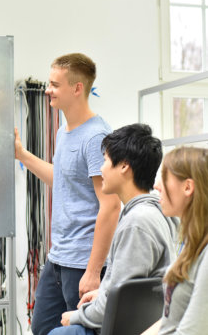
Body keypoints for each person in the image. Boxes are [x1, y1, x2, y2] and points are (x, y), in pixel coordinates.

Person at [15, 53, 121, 335]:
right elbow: (62, 180)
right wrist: (22, 155)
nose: (48, 90)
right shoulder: (64, 131)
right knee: (42, 330)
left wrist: (92, 270)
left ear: (77, 88)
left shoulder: (95, 136)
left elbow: (110, 207)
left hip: (82, 262)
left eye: (54, 84)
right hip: (58, 258)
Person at [48, 123, 179, 335]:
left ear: (124, 166)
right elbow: (128, 288)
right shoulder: (157, 213)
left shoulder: (137, 222)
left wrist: (76, 316)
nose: (101, 169)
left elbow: (119, 304)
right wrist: (101, 293)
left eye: (106, 161)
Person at [141, 147, 208, 335]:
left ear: (187, 187)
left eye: (165, 177)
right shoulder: (191, 244)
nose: (156, 186)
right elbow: (170, 319)